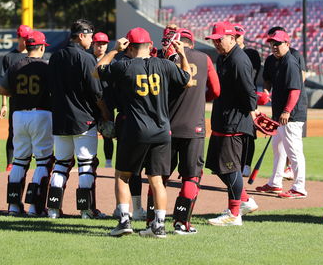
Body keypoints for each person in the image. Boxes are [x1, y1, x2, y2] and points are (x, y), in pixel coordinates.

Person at [95, 28, 191, 238]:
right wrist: (182, 54)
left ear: (129, 46)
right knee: (156, 179)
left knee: (122, 177)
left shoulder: (124, 66)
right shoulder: (165, 64)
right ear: (149, 45)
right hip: (162, 131)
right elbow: (186, 79)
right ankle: (159, 225)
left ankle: (124, 221)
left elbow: (98, 69)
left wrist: (113, 50)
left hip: (135, 130)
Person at [45, 19, 110, 219]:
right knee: (86, 164)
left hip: (60, 119)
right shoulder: (86, 58)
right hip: (83, 119)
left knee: (61, 164)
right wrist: (106, 115)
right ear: (81, 35)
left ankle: (53, 210)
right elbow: (96, 92)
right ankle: (86, 210)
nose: (92, 40)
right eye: (90, 36)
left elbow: (49, 87)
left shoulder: (55, 57)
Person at [165, 28, 220, 234]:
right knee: (191, 177)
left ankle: (153, 219)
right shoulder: (204, 58)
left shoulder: (168, 59)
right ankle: (181, 223)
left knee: (159, 176)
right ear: (192, 43)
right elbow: (216, 91)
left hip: (168, 127)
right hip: (194, 127)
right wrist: (200, 98)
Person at [204, 21, 259, 226]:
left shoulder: (239, 60)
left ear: (232, 38)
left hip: (235, 122)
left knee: (230, 167)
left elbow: (248, 91)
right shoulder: (224, 58)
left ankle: (234, 214)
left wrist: (252, 112)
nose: (217, 43)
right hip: (223, 120)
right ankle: (244, 200)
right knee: (218, 166)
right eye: (214, 40)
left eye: (220, 39)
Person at [0, 30, 53, 216]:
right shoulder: (47, 67)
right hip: (41, 114)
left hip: (19, 115)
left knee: (19, 161)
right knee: (43, 162)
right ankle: (35, 207)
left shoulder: (16, 65)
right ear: (40, 47)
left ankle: (13, 206)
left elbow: (2, 90)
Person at [255, 30, 308, 198]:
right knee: (278, 148)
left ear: (287, 44)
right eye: (272, 43)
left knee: (294, 150)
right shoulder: (273, 60)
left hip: (291, 114)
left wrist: (287, 111)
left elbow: (295, 90)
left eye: (277, 43)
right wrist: (266, 92)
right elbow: (268, 80)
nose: (274, 46)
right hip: (280, 113)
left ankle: (299, 187)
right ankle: (275, 183)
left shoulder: (291, 63)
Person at [0, 24, 33, 171]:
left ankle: (31, 161)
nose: (26, 41)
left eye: (28, 38)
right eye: (24, 38)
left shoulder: (33, 55)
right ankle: (9, 162)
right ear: (18, 37)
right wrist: (4, 104)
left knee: (33, 132)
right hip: (15, 101)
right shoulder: (9, 57)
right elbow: (4, 83)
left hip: (32, 101)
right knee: (13, 131)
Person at [233, 24, 261, 178]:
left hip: (247, 97)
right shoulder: (228, 53)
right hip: (233, 100)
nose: (236, 38)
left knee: (249, 134)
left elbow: (252, 76)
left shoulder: (251, 53)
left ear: (243, 36)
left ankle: (247, 164)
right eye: (234, 36)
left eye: (238, 36)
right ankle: (235, 164)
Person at [92, 32, 114, 168]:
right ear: (93, 44)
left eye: (103, 44)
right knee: (89, 135)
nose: (101, 46)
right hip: (90, 104)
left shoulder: (112, 62)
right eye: (98, 43)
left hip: (108, 102)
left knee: (108, 134)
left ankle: (108, 163)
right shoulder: (87, 59)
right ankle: (91, 160)